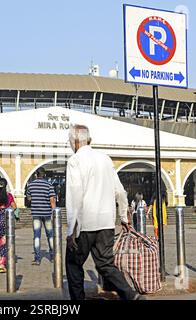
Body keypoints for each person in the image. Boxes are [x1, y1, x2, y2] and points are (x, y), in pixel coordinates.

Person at [65, 124, 141, 301]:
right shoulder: (105, 159)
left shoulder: (74, 161)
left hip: (84, 223)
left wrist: (71, 232)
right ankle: (131, 295)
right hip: (106, 222)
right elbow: (120, 192)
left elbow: (74, 196)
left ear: (75, 141)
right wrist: (123, 216)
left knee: (73, 264)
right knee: (106, 264)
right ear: (88, 139)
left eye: (69, 140)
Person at [26, 167, 56, 265]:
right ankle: (53, 257)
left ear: (36, 174)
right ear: (44, 175)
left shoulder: (30, 185)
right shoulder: (49, 185)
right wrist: (54, 213)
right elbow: (52, 200)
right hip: (47, 213)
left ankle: (37, 258)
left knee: (37, 236)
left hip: (36, 214)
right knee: (50, 235)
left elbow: (29, 198)